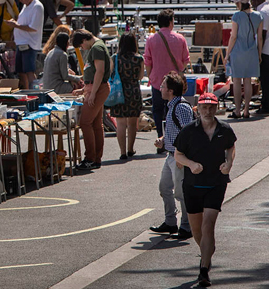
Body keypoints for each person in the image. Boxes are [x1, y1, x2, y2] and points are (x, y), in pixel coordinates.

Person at [174, 92, 236, 288]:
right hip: (192, 185)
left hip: (216, 184)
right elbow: (178, 154)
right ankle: (207, 251)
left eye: (211, 107)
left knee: (208, 225)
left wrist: (229, 163)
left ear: (217, 108)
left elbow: (231, 148)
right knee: (196, 230)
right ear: (197, 109)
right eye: (204, 107)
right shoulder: (188, 131)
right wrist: (190, 164)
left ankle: (203, 269)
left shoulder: (225, 129)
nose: (207, 111)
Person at [149, 72, 195, 241]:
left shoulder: (180, 107)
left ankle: (186, 226)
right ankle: (170, 222)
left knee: (181, 193)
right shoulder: (171, 105)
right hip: (171, 156)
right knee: (164, 188)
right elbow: (176, 131)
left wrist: (183, 158)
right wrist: (163, 140)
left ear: (170, 90)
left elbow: (189, 133)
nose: (160, 88)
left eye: (162, 86)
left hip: (178, 158)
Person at [143, 9, 191, 139]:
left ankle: (160, 137)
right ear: (171, 22)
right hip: (175, 81)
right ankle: (174, 138)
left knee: (158, 110)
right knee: (174, 109)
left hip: (157, 80)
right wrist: (179, 71)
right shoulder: (180, 39)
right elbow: (186, 60)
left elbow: (147, 60)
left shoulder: (151, 39)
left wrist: (151, 76)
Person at [73, 29, 110, 171]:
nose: (82, 49)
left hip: (98, 89)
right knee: (95, 123)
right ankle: (95, 158)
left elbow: (100, 71)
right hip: (95, 88)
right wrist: (85, 90)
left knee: (85, 122)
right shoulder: (98, 46)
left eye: (81, 46)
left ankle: (90, 158)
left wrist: (93, 93)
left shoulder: (97, 48)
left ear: (84, 40)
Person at [226, 0, 262, 119]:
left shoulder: (237, 16)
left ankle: (237, 110)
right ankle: (246, 109)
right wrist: (259, 53)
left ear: (241, 3)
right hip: (252, 51)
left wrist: (227, 53)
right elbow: (260, 38)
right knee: (248, 81)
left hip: (238, 51)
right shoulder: (258, 16)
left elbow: (234, 36)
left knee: (236, 81)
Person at [110, 32, 144, 161]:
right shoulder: (139, 58)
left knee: (121, 123)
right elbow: (141, 77)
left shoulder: (115, 57)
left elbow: (111, 74)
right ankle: (131, 149)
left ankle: (122, 152)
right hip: (134, 91)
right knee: (132, 122)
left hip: (119, 91)